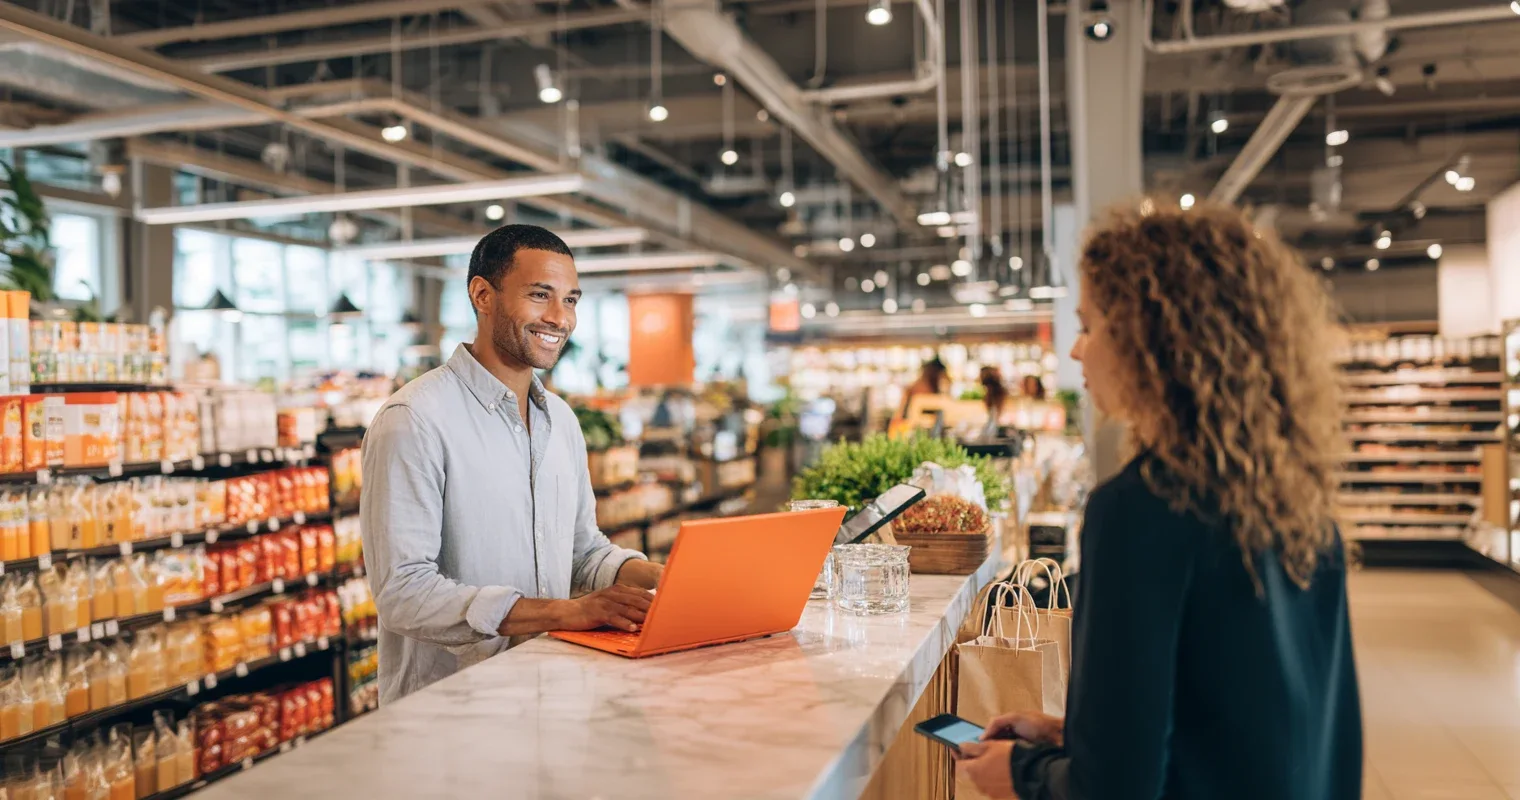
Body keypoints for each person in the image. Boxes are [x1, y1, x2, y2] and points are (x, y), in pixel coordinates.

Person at [955, 199, 1362, 800]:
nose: (1076, 350)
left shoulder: (1138, 510)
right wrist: (1077, 738)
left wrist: (1020, 775)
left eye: (1089, 325)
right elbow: (1262, 723)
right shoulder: (1293, 499)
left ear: (1153, 338)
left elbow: (1114, 789)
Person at [361, 224, 663, 704]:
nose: (559, 318)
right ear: (482, 295)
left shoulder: (561, 422)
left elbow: (582, 554)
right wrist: (562, 614)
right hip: (451, 714)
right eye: (540, 295)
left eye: (571, 300)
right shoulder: (414, 420)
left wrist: (665, 579)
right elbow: (403, 592)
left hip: (554, 691)